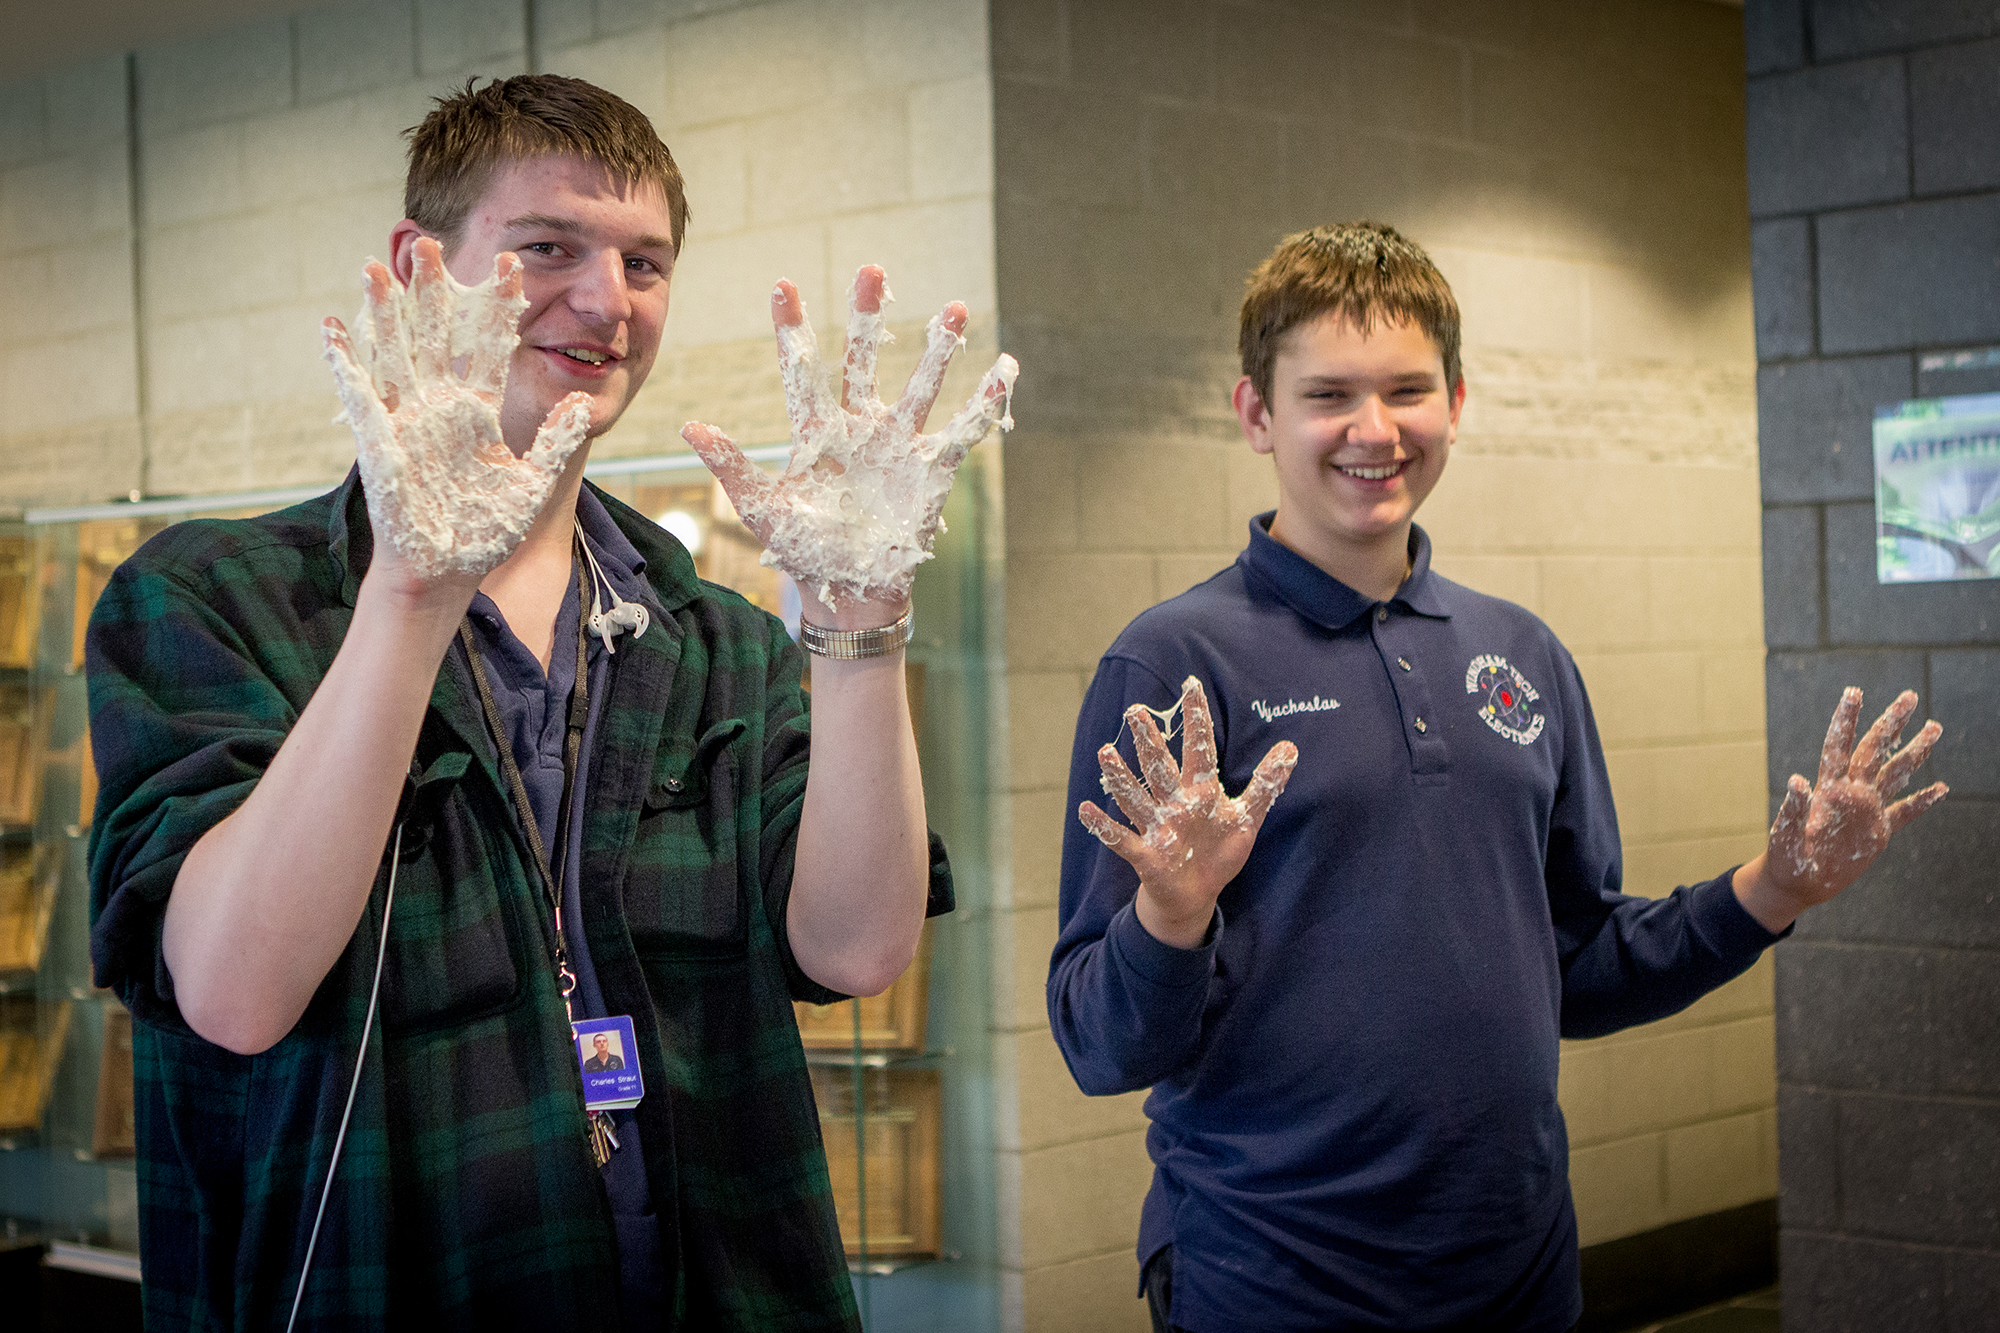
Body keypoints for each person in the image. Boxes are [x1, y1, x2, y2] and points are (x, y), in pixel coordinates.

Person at [87, 75, 1012, 1331]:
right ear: (424, 268)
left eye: (645, 261)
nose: (606, 301)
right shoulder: (213, 601)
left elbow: (856, 948)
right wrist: (412, 591)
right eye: (548, 250)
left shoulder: (710, 638)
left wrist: (854, 625)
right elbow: (236, 993)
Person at [1046, 223, 1949, 1333]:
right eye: (1327, 393)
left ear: (1456, 404)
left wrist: (1771, 889)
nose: (1372, 431)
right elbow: (1096, 1043)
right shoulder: (1176, 661)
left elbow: (1574, 962)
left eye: (1405, 390)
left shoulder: (1519, 655)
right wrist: (1166, 912)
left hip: (1516, 1272)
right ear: (1254, 415)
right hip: (1270, 1276)